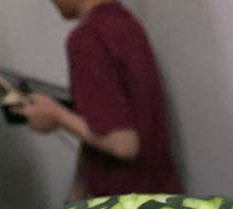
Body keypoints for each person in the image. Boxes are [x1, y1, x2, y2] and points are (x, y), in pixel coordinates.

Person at [18, 0, 181, 198]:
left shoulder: (87, 39)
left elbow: (123, 144)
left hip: (124, 205)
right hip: (162, 197)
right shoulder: (125, 22)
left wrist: (57, 115)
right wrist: (78, 190)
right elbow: (103, 122)